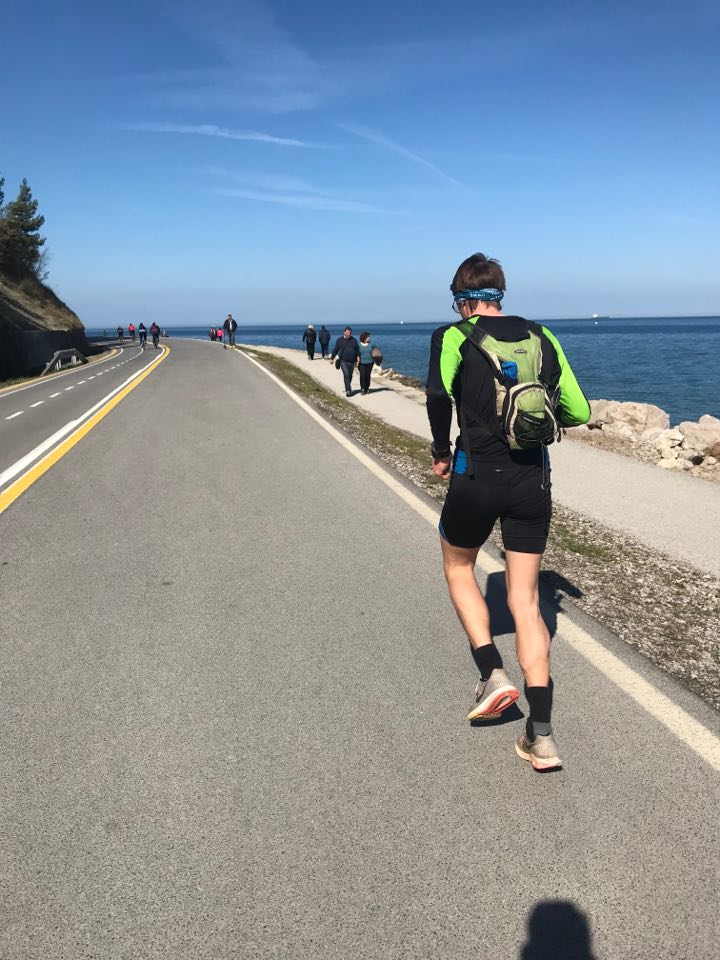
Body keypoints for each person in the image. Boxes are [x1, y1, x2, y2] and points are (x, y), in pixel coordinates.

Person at [426, 252, 590, 772]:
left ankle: (492, 672)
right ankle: (541, 737)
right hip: (531, 482)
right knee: (526, 600)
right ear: (500, 294)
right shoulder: (542, 335)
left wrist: (441, 451)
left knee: (458, 566)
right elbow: (579, 411)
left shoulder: (453, 336)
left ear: (462, 299)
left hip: (476, 477)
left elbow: (438, 396)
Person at [330, 326, 360, 396]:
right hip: (343, 361)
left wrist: (358, 359)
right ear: (344, 332)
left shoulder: (354, 340)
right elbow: (335, 349)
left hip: (352, 361)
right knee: (346, 375)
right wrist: (332, 358)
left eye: (350, 333)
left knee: (350, 376)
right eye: (347, 332)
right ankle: (348, 390)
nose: (349, 334)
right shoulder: (339, 340)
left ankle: (347, 386)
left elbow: (357, 350)